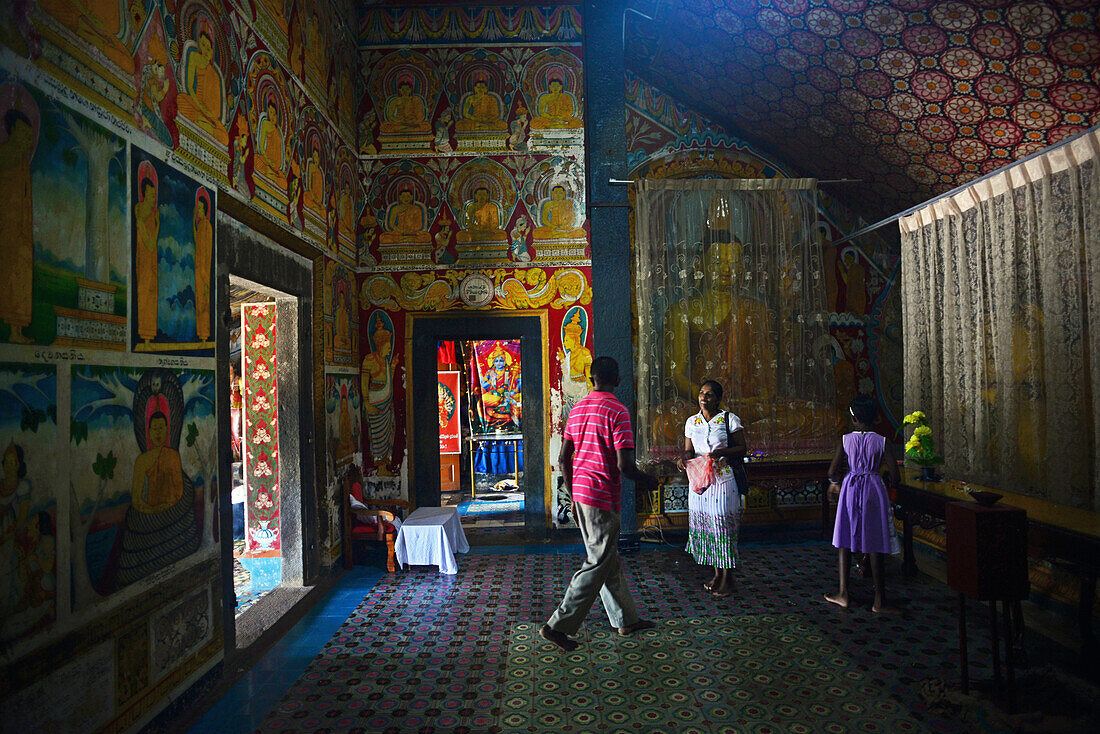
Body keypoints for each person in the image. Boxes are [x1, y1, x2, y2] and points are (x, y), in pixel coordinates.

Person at [540, 356, 658, 652]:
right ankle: (557, 626)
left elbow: (562, 458)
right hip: (601, 495)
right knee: (597, 562)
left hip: (581, 493)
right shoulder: (618, 410)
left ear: (591, 378)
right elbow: (625, 465)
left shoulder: (577, 408)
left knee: (608, 559)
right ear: (618, 379)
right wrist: (649, 481)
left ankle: (625, 619)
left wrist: (572, 488)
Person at [824, 396, 901, 613]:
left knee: (845, 541)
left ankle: (843, 594)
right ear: (875, 417)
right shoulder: (883, 441)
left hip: (850, 488)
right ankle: (879, 600)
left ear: (854, 418)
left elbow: (832, 471)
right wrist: (883, 476)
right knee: (875, 543)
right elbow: (895, 477)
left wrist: (835, 483)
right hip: (873, 489)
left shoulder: (845, 440)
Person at [679, 380, 747, 598]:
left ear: (718, 399)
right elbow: (689, 451)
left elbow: (742, 448)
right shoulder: (692, 422)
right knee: (708, 527)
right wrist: (683, 459)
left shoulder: (729, 419)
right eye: (701, 393)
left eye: (709, 395)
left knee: (723, 527)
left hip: (723, 480)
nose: (703, 398)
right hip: (700, 483)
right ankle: (717, 574)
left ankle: (729, 578)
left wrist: (721, 452)